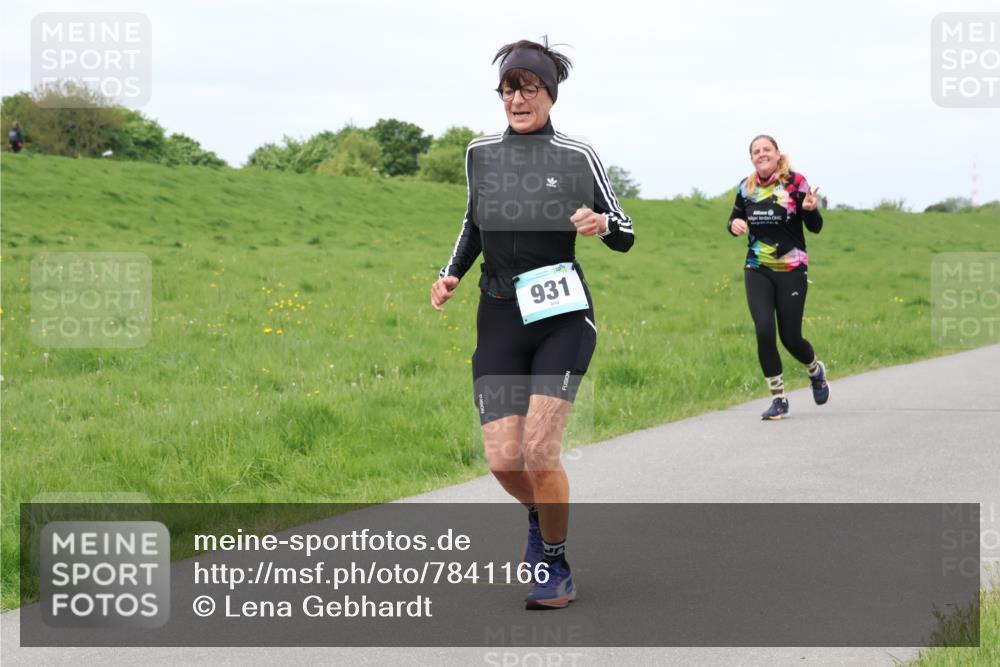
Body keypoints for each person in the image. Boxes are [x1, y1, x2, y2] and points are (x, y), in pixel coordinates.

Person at [430, 39, 634, 609]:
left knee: (540, 451)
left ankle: (554, 562)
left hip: (560, 318)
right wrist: (450, 273)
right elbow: (473, 222)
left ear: (549, 94)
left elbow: (624, 231)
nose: (517, 100)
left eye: (528, 89)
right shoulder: (480, 153)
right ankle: (542, 517)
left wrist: (601, 224)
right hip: (498, 316)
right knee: (503, 460)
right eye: (507, 90)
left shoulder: (576, 155)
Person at [728, 135, 830, 420]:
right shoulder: (746, 187)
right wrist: (734, 224)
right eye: (756, 151)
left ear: (777, 154)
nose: (761, 154)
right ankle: (779, 399)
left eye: (766, 149)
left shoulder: (796, 183)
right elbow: (734, 218)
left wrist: (811, 210)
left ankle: (815, 371)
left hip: (791, 269)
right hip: (757, 268)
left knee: (791, 337)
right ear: (752, 158)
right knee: (763, 330)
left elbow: (816, 227)